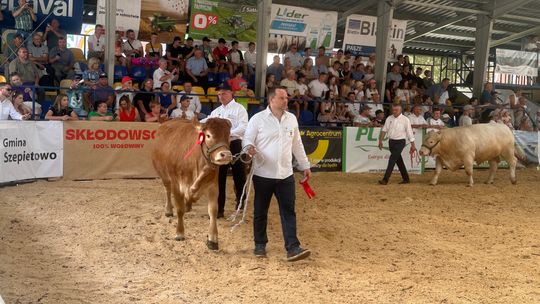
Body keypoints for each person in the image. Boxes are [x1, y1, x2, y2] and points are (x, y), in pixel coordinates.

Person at [243, 86, 312, 262]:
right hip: (262, 174)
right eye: (282, 98)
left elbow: (297, 144)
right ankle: (259, 244)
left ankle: (293, 247)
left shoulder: (291, 119)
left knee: (288, 211)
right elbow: (247, 139)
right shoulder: (257, 119)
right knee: (260, 210)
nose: (286, 101)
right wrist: (248, 149)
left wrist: (305, 165)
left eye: (286, 98)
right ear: (271, 99)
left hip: (286, 174)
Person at [203, 82, 248, 218]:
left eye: (223, 93)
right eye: (219, 94)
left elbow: (244, 126)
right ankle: (219, 208)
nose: (220, 96)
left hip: (234, 144)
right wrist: (194, 122)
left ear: (231, 93)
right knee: (219, 177)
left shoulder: (239, 109)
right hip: (219, 147)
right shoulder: (216, 112)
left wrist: (228, 135)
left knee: (239, 174)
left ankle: (241, 202)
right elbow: (206, 121)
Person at [378, 104, 416, 185]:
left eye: (396, 110)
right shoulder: (389, 118)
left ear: (400, 110)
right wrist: (380, 140)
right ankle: (406, 178)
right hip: (391, 142)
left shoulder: (405, 120)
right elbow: (384, 130)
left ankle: (385, 179)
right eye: (393, 110)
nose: (394, 111)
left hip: (400, 142)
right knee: (399, 161)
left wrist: (413, 145)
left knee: (392, 159)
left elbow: (409, 132)